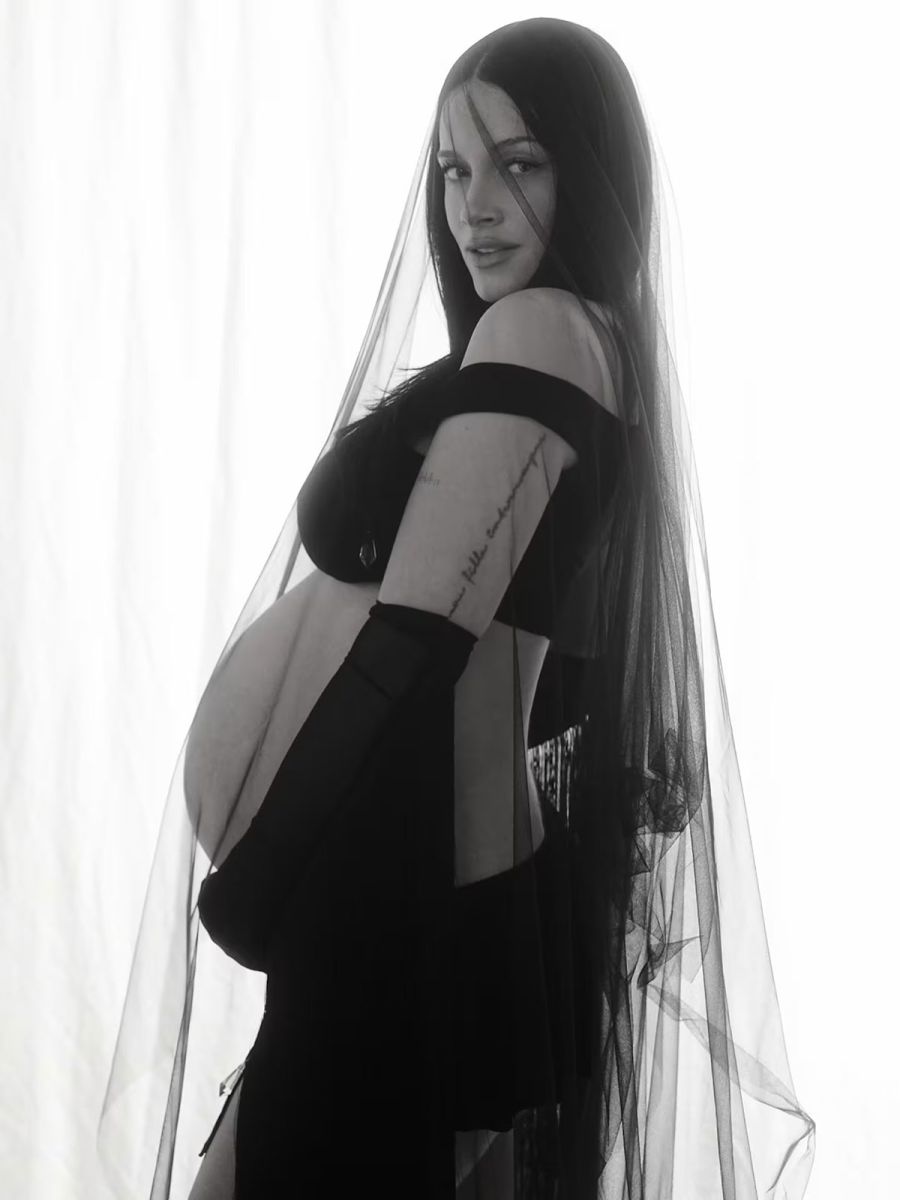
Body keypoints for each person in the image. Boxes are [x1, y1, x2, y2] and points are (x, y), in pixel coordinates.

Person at [98, 18, 816, 1200]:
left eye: (518, 164)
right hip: (425, 890)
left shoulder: (546, 330)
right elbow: (543, 656)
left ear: (591, 173)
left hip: (406, 900)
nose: (473, 207)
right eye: (452, 169)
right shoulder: (569, 346)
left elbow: (412, 651)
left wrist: (260, 885)